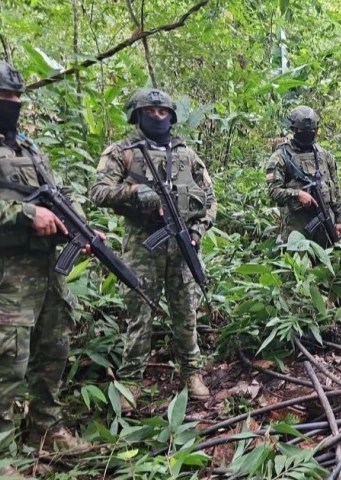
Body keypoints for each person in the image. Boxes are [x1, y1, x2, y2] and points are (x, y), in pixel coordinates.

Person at [89, 88, 216, 411]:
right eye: (150, 112)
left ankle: (191, 371)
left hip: (184, 243)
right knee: (139, 314)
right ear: (137, 115)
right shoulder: (123, 152)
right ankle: (131, 380)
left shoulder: (187, 155)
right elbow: (99, 192)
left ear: (172, 116)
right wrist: (134, 192)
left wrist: (198, 231)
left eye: (163, 113)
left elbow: (210, 199)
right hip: (143, 245)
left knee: (186, 310)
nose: (158, 117)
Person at [0, 61, 90, 462]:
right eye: (4, 97)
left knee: (54, 347)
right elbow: (28, 209)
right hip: (8, 273)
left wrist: (79, 229)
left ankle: (45, 429)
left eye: (17, 97)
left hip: (45, 270)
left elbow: (54, 196)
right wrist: (24, 216)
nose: (12, 103)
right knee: (8, 360)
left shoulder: (28, 147)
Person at [267, 106, 341, 246]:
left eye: (312, 131)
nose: (308, 134)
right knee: (296, 265)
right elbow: (273, 191)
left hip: (326, 221)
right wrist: (297, 195)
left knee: (328, 264)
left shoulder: (324, 156)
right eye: (303, 131)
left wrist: (339, 220)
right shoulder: (281, 157)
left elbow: (335, 188)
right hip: (296, 225)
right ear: (294, 130)